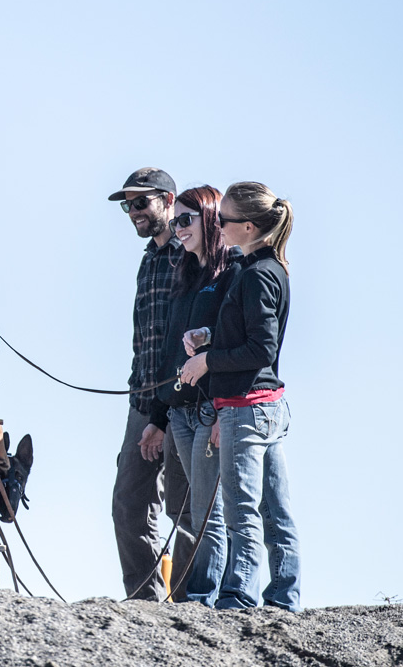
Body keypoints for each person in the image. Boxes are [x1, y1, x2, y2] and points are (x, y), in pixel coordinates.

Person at [179, 181, 301, 612]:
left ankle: (238, 597)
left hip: (246, 411)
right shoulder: (268, 270)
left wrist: (207, 362)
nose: (218, 225)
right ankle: (285, 596)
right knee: (275, 510)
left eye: (224, 219)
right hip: (268, 406)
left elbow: (260, 349)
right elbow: (254, 336)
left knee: (242, 512)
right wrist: (210, 335)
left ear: (248, 227)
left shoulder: (255, 275)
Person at [141, 185, 240, 606]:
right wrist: (158, 417)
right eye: (176, 220)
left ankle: (203, 596)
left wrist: (223, 411)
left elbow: (239, 342)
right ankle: (196, 595)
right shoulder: (186, 274)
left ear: (210, 218)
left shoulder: (232, 271)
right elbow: (168, 353)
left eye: (186, 219)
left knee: (209, 513)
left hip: (211, 409)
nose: (178, 228)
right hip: (179, 412)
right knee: (195, 511)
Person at [108, 168, 194, 601]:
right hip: (141, 401)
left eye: (141, 202)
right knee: (128, 505)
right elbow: (147, 339)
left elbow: (184, 342)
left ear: (168, 200)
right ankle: (145, 604)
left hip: (181, 405)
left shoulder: (191, 257)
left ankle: (189, 602)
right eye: (128, 205)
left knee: (187, 509)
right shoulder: (149, 259)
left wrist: (162, 414)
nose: (133, 212)